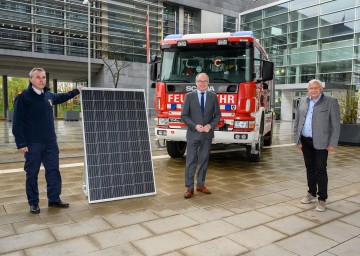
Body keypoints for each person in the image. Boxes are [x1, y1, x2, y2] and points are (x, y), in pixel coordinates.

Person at [12, 68, 83, 214]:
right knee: (32, 173)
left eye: (43, 77)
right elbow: (17, 122)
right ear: (31, 79)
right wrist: (21, 143)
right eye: (38, 77)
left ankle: (54, 199)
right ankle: (33, 202)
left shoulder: (48, 95)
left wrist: (76, 90)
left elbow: (62, 96)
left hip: (51, 142)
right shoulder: (23, 97)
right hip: (33, 144)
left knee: (53, 171)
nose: (41, 80)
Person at [293, 79, 340, 212]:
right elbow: (297, 122)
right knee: (309, 168)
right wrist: (297, 139)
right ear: (308, 90)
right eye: (311, 88)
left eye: (316, 88)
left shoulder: (331, 102)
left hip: (322, 142)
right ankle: (312, 193)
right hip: (305, 141)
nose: (313, 90)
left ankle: (322, 199)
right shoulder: (303, 101)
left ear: (321, 89)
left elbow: (336, 125)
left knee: (321, 169)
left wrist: (332, 143)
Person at [181, 73, 221, 199]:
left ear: (208, 83)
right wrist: (194, 126)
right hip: (193, 134)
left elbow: (217, 115)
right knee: (191, 161)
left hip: (207, 134)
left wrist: (210, 125)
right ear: (196, 82)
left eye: (205, 81)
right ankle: (189, 188)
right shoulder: (189, 96)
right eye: (200, 81)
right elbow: (184, 116)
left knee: (204, 160)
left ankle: (200, 185)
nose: (202, 83)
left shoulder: (213, 97)